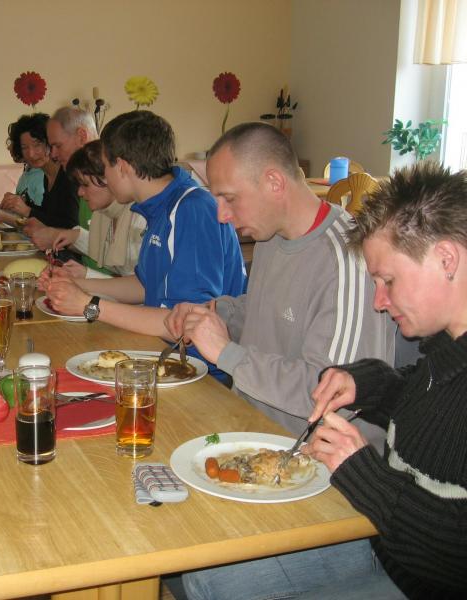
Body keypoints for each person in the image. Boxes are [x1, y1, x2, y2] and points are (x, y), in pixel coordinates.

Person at [182, 161, 467, 600]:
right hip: (383, 542)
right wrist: (368, 384)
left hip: (424, 581)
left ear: (446, 259)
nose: (379, 301)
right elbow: (430, 407)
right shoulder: (446, 347)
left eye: (388, 281)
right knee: (200, 573)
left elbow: (454, 557)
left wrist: (364, 475)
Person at [165, 122, 394, 446]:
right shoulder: (270, 236)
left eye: (229, 198)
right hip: (246, 426)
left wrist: (226, 353)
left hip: (306, 455)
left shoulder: (347, 260)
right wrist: (213, 313)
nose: (221, 215)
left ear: (274, 182)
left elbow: (327, 395)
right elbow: (272, 313)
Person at [41, 111, 246, 382]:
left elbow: (182, 325)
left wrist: (88, 305)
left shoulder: (192, 209)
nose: (105, 177)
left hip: (198, 373)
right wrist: (78, 286)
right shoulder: (160, 206)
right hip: (162, 353)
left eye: (106, 167)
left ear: (122, 166)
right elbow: (144, 285)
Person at [53, 140, 146, 277]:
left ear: (108, 177)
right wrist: (77, 236)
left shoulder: (139, 218)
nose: (80, 192)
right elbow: (114, 259)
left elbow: (140, 285)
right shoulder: (106, 214)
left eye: (85, 185)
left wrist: (87, 275)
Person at [21, 106, 99, 252]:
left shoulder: (104, 182)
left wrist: (56, 235)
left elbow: (112, 251)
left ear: (82, 136)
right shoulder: (80, 176)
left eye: (58, 146)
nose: (53, 154)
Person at [0, 113, 77, 231]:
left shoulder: (68, 176)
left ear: (50, 142)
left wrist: (27, 210)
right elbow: (48, 216)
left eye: (37, 145)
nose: (31, 154)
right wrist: (24, 204)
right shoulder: (48, 176)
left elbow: (71, 226)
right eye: (25, 147)